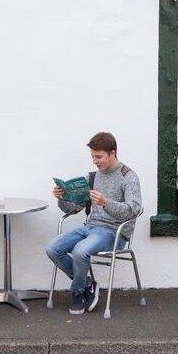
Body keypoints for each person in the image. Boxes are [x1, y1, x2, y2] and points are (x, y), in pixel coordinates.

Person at [46, 132, 143, 316]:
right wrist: (61, 198)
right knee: (52, 248)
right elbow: (74, 207)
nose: (95, 161)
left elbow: (133, 209)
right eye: (92, 157)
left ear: (112, 153)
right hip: (90, 227)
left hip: (114, 232)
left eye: (98, 157)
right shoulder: (91, 177)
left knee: (81, 251)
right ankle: (88, 285)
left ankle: (77, 294)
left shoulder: (128, 176)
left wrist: (106, 202)